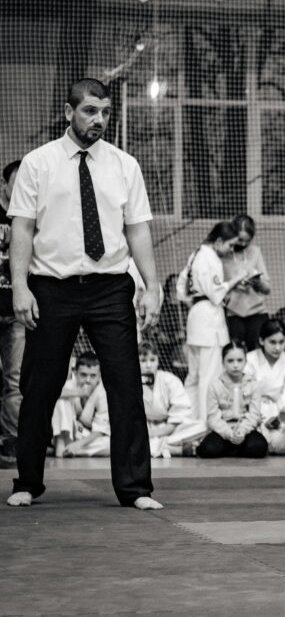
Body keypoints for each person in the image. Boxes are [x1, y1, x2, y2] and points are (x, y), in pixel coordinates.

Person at [7, 79, 162, 509]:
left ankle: (135, 488)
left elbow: (138, 228)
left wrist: (152, 285)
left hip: (111, 286)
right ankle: (27, 482)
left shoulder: (124, 165)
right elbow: (22, 227)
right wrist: (20, 286)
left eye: (106, 112)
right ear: (68, 111)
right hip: (51, 287)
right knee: (40, 386)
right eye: (91, 111)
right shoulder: (38, 164)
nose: (99, 120)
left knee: (126, 386)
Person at [181, 222, 258, 423]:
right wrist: (237, 279)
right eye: (230, 245)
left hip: (196, 315)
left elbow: (182, 290)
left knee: (194, 376)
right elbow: (216, 295)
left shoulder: (195, 254)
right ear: (218, 241)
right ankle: (206, 423)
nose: (231, 250)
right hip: (208, 319)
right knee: (208, 376)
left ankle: (187, 420)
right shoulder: (211, 258)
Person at [196, 341, 267, 459]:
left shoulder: (254, 385)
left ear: (245, 361)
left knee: (259, 447)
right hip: (223, 429)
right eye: (230, 361)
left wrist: (242, 431)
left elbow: (254, 414)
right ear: (223, 362)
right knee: (208, 449)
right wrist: (228, 433)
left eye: (239, 360)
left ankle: (234, 448)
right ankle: (235, 448)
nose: (235, 365)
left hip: (245, 430)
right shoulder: (214, 385)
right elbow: (213, 417)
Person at [138, 341, 206, 458]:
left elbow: (177, 418)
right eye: (143, 361)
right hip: (144, 427)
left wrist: (153, 434)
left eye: (152, 360)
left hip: (170, 428)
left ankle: (157, 447)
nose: (149, 365)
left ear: (158, 361)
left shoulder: (170, 380)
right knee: (126, 437)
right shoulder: (130, 383)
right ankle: (175, 450)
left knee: (202, 426)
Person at [0, 160, 25, 469]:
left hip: (16, 310)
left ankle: (11, 443)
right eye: (15, 181)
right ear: (4, 184)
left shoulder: (29, 218)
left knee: (16, 380)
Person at [223, 214, 272, 351]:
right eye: (240, 240)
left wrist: (257, 283)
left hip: (257, 312)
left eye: (247, 241)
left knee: (256, 353)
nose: (243, 244)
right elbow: (217, 288)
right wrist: (234, 284)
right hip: (233, 313)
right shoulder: (223, 254)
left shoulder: (256, 252)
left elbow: (267, 288)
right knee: (235, 352)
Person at [245, 318, 285, 433]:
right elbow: (243, 394)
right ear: (261, 340)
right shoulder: (249, 360)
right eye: (272, 342)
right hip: (251, 413)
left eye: (281, 342)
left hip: (280, 416)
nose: (277, 348)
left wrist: (278, 419)